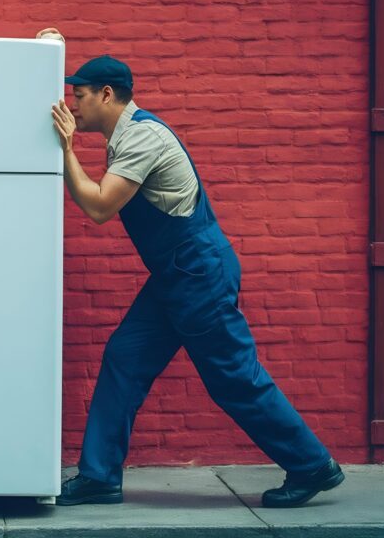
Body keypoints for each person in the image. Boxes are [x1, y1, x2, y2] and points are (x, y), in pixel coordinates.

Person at [38, 28, 344, 508]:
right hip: (175, 275)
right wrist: (47, 47)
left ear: (106, 95)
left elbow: (98, 207)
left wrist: (67, 149)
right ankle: (99, 476)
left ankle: (311, 464)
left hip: (198, 272)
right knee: (124, 357)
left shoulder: (141, 137)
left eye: (78, 96)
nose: (72, 105)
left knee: (232, 375)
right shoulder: (125, 134)